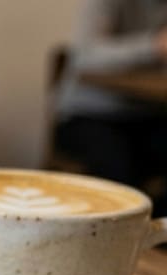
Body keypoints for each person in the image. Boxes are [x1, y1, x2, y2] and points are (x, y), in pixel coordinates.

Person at [55, 0, 167, 213]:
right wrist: (154, 45)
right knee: (119, 166)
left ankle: (153, 227)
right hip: (89, 115)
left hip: (149, 113)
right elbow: (85, 56)